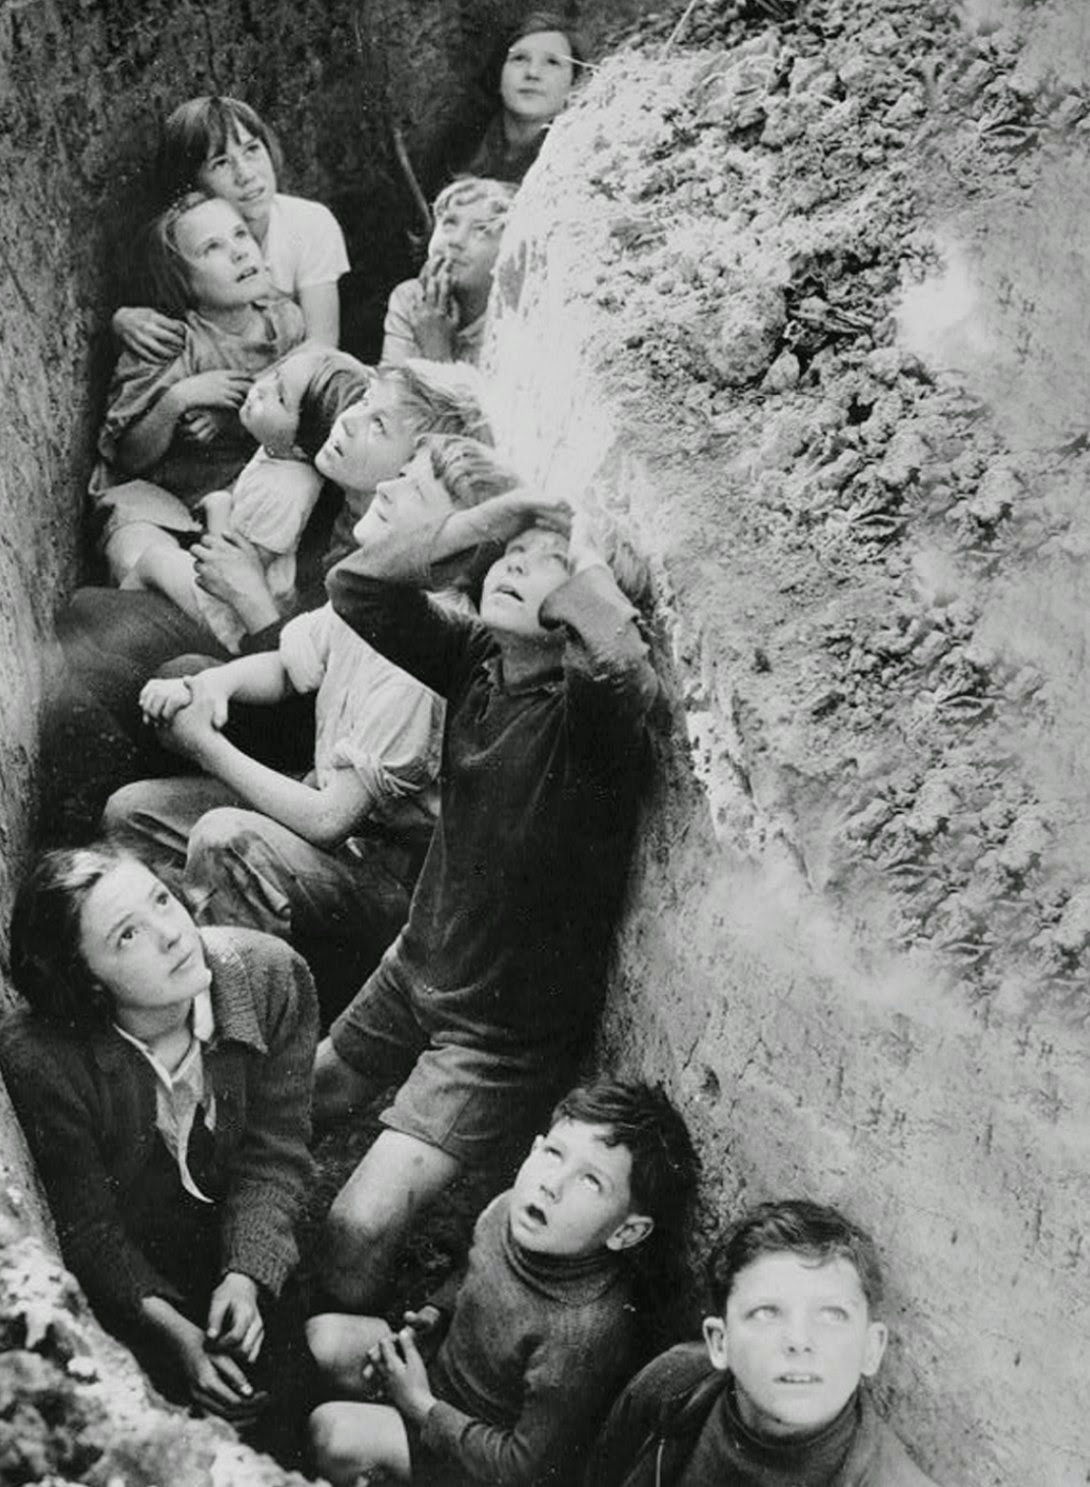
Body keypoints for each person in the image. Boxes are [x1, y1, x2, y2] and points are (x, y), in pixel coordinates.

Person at [315, 487, 663, 1309]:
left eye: (548, 564)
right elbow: (357, 588)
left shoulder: (586, 723)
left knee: (358, 1225)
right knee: (306, 1094)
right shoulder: (479, 660)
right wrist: (484, 522)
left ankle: (328, 1367)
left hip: (498, 1032)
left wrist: (584, 565)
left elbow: (621, 669)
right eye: (512, 554)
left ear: (583, 604)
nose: (516, 564)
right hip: (417, 966)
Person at [104, 434, 521, 1021]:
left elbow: (330, 821)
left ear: (445, 546)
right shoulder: (374, 597)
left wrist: (205, 745)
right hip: (324, 836)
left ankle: (249, 1020)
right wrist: (213, 687)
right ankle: (170, 971)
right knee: (133, 816)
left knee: (226, 839)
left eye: (413, 488)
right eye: (400, 471)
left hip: (381, 884)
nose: (387, 486)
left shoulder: (426, 656)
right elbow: (285, 665)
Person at [0, 845, 318, 1437]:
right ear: (87, 984)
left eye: (162, 900)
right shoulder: (45, 1059)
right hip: (138, 1281)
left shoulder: (271, 977)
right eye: (127, 936)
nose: (171, 934)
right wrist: (178, 1340)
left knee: (285, 1401)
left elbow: (276, 1157)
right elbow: (89, 1229)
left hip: (239, 1245)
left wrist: (247, 1274)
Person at [53, 360, 491, 745]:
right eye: (364, 402)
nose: (352, 421)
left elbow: (306, 705)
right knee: (90, 612)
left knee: (164, 673)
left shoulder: (391, 566)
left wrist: (250, 596)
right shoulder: (331, 488)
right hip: (247, 648)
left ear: (414, 465)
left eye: (380, 426)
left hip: (293, 721)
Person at [306, 1080, 701, 1487]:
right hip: (438, 1379)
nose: (553, 1184)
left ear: (627, 1232)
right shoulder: (510, 1209)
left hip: (477, 1457)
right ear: (534, 1150)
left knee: (332, 1433)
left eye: (590, 1181)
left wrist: (421, 1407)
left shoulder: (583, 1334)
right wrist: (434, 1313)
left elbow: (525, 1470)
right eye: (554, 1154)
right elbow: (473, 1267)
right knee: (323, 1339)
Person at [584, 1200, 941, 1487]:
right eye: (766, 1312)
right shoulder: (670, 1386)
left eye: (832, 1315)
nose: (799, 1342)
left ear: (871, 1348)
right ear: (719, 1342)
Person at [93, 190, 308, 582]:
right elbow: (127, 458)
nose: (239, 253)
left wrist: (231, 420)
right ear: (184, 282)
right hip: (163, 498)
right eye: (213, 248)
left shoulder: (287, 322)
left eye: (241, 235)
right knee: (132, 554)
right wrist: (178, 399)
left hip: (241, 493)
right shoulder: (170, 342)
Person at [123, 346, 368, 656]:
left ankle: (113, 626)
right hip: (229, 583)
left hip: (231, 615)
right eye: (275, 376)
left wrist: (219, 507)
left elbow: (232, 565)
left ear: (301, 449)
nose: (261, 389)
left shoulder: (284, 491)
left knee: (153, 560)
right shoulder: (277, 450)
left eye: (280, 399)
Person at [116, 95, 349, 359]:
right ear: (192, 183)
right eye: (221, 163)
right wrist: (123, 319)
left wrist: (253, 386)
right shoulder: (180, 239)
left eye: (252, 150)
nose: (246, 175)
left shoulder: (309, 222)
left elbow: (322, 343)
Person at [425, 12, 586, 190]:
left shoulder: (579, 161)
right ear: (498, 74)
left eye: (552, 62)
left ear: (574, 83)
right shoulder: (455, 147)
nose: (532, 73)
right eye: (519, 58)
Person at [381, 178, 517, 367]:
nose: (456, 241)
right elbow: (392, 390)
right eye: (450, 223)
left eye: (482, 230)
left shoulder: (514, 316)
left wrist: (436, 350)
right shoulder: (410, 299)